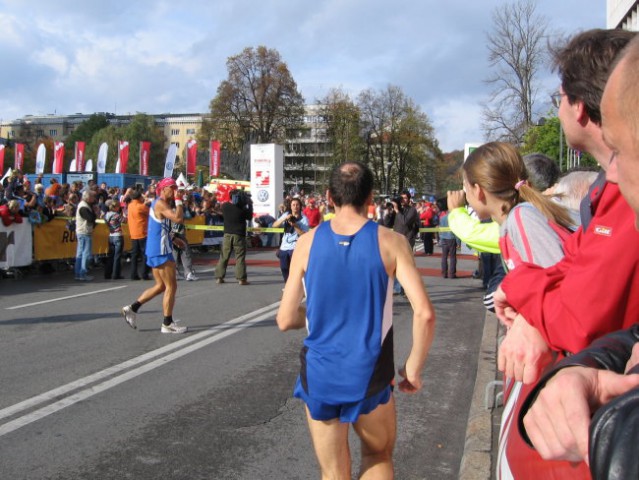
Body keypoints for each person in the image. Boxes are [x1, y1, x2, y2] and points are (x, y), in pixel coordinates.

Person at [490, 28, 639, 480]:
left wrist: (516, 284)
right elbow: (571, 264)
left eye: (621, 153)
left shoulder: (619, 197)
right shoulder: (609, 191)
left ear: (578, 105)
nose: (610, 170)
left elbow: (577, 317)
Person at [276, 162, 436, 479]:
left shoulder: (306, 243)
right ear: (371, 197)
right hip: (369, 373)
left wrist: (315, 313)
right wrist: (413, 367)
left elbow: (284, 319)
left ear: (328, 197)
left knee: (333, 472)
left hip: (320, 374)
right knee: (377, 455)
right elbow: (425, 313)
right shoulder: (392, 241)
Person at [121, 178, 187, 334]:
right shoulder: (161, 203)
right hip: (160, 250)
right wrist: (179, 200)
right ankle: (167, 323)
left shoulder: (160, 204)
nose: (175, 190)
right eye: (173, 188)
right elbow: (178, 219)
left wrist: (173, 238)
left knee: (161, 286)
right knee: (171, 286)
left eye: (176, 188)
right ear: (164, 189)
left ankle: (132, 308)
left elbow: (159, 226)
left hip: (155, 247)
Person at [215, 189, 253, 285]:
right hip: (239, 235)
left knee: (224, 256)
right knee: (239, 257)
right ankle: (241, 279)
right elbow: (249, 217)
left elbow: (220, 213)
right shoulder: (242, 209)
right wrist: (250, 204)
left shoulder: (225, 206)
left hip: (227, 234)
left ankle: (219, 277)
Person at [272, 197, 309, 282]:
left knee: (294, 268)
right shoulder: (286, 214)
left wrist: (295, 225)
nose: (295, 207)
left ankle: (295, 287)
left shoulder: (304, 219)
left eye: (297, 205)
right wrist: (284, 219)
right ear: (291, 206)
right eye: (293, 205)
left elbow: (304, 235)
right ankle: (287, 284)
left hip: (296, 246)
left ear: (300, 206)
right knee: (284, 268)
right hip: (284, 246)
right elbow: (274, 225)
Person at [127, 189, 151, 281]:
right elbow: (150, 211)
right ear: (139, 197)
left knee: (134, 255)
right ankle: (144, 274)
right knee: (145, 254)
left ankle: (133, 274)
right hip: (142, 232)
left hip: (133, 232)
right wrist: (146, 200)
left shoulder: (130, 205)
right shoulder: (141, 206)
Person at [74, 189, 98, 281]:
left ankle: (78, 273)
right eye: (92, 197)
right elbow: (90, 218)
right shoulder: (84, 207)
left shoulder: (85, 205)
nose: (94, 199)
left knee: (80, 253)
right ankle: (82, 273)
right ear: (88, 198)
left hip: (82, 231)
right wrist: (94, 213)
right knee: (86, 254)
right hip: (84, 232)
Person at [436, 199, 459, 278]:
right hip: (451, 238)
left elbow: (440, 229)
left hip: (444, 238)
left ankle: (444, 273)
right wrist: (458, 242)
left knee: (444, 256)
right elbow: (456, 230)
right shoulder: (453, 218)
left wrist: (440, 238)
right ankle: (452, 274)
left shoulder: (442, 218)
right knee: (452, 257)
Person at [103, 199, 125, 280]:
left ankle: (107, 273)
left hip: (111, 235)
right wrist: (123, 214)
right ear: (116, 207)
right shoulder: (116, 215)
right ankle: (116, 274)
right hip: (118, 235)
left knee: (110, 256)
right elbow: (125, 221)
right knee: (117, 256)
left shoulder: (107, 215)